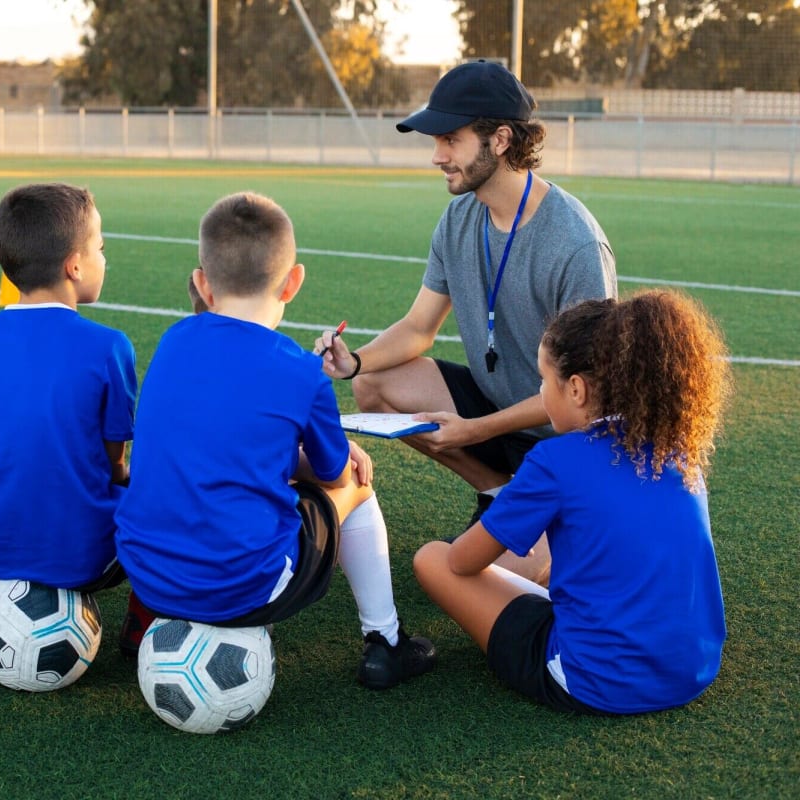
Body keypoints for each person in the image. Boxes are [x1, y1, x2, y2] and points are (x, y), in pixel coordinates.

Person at [116, 192, 436, 690]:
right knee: (356, 480)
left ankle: (140, 622)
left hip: (144, 569)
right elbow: (330, 475)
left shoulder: (173, 340)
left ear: (202, 282)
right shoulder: (300, 371)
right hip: (243, 587)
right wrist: (319, 459)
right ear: (293, 281)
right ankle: (386, 642)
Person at [317, 60, 618, 583]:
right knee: (373, 383)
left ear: (500, 140)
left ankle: (545, 518)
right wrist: (354, 360)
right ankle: (498, 492)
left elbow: (586, 397)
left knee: (505, 577)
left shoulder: (575, 245)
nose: (437, 157)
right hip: (498, 409)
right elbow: (418, 328)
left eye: (450, 140)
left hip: (567, 439)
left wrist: (473, 430)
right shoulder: (459, 217)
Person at [411, 290, 731, 714]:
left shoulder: (555, 460)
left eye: (544, 381)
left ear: (576, 389)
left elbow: (461, 563)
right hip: (693, 668)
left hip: (594, 680)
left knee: (432, 558)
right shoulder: (678, 447)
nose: (541, 393)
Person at [0, 183, 147, 656]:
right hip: (88, 556)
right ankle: (146, 615)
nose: (104, 258)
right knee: (167, 488)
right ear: (74, 265)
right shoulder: (109, 345)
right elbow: (115, 464)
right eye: (100, 247)